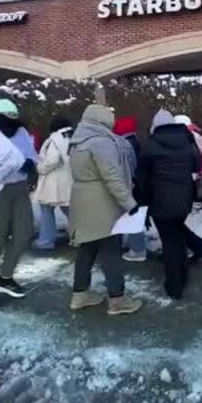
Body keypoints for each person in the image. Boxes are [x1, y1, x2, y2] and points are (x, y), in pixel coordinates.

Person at [69, 104, 142, 316]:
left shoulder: (77, 140)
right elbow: (112, 177)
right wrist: (130, 203)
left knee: (87, 248)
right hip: (102, 202)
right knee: (111, 250)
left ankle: (79, 295)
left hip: (81, 199)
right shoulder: (102, 142)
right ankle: (117, 300)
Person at [135, 109, 202, 300]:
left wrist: (142, 201)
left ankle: (175, 285)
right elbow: (197, 165)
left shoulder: (150, 145)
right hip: (184, 198)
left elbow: (142, 179)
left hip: (159, 200)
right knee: (175, 232)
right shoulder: (187, 140)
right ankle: (193, 254)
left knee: (170, 241)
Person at [0, 99, 37, 315]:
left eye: (14, 116)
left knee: (24, 233)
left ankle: (5, 277)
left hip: (19, 187)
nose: (12, 121)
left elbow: (31, 153)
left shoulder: (21, 131)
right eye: (8, 116)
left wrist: (31, 163)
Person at [34, 115, 74, 251]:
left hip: (52, 181)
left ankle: (46, 241)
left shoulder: (55, 138)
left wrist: (40, 168)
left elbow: (52, 160)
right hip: (70, 179)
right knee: (71, 210)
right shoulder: (74, 135)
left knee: (46, 210)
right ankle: (79, 238)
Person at [113, 116, 147, 263]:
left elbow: (128, 167)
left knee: (131, 216)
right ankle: (135, 246)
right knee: (133, 215)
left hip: (131, 185)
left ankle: (138, 249)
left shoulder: (125, 144)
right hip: (137, 184)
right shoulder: (135, 142)